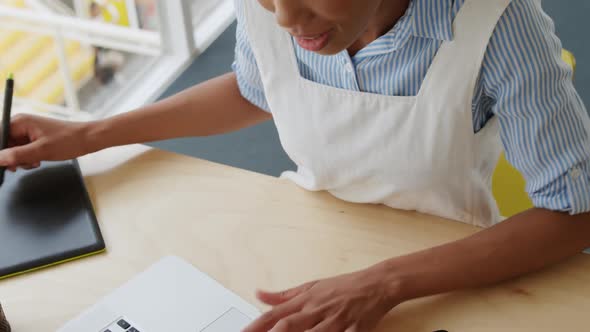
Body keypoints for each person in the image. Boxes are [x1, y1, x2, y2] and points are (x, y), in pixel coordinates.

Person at [2, 0, 590, 330]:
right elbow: (259, 89)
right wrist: (92, 134)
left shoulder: (501, 28)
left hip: (441, 277)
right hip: (307, 247)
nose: (284, 20)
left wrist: (382, 284)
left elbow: (574, 214)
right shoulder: (281, 14)